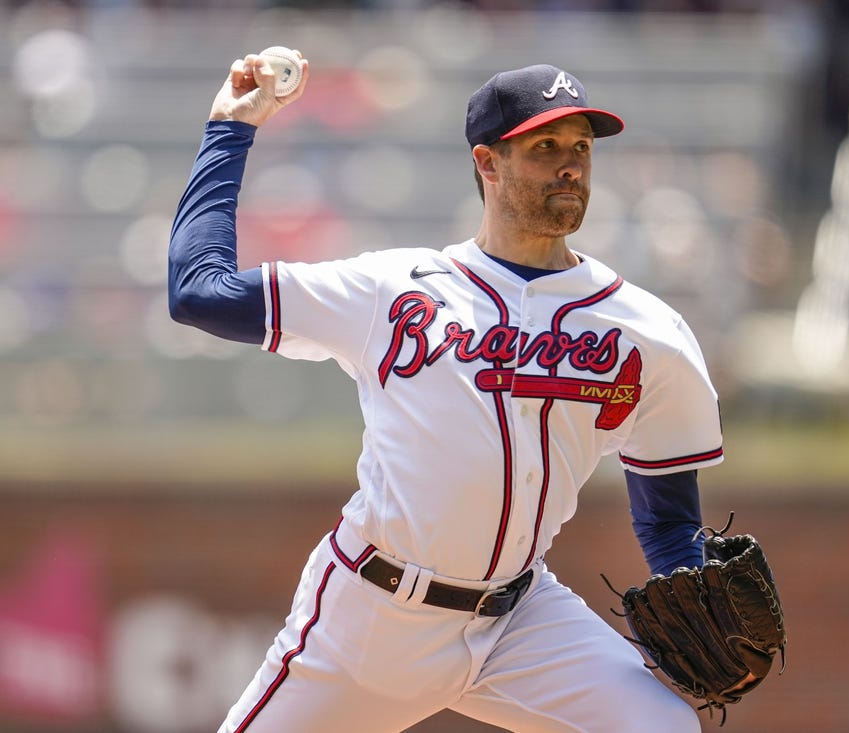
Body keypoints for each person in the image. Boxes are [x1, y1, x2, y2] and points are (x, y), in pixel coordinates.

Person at [169, 52, 727, 733]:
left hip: (521, 620)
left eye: (581, 147)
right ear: (488, 164)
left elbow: (668, 517)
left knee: (664, 727)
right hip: (375, 618)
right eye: (545, 146)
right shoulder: (393, 290)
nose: (570, 165)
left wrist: (697, 596)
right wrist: (230, 129)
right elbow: (200, 292)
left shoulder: (647, 332)